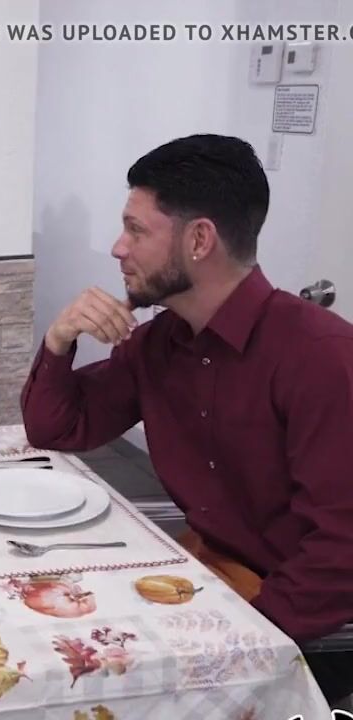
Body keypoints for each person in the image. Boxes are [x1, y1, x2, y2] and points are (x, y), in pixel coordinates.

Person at [21, 133, 353, 703]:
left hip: (298, 626)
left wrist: (236, 644)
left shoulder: (321, 356)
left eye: (136, 230)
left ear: (200, 239)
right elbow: (58, 428)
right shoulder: (160, 343)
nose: (118, 248)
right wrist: (58, 339)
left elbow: (341, 550)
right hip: (206, 578)